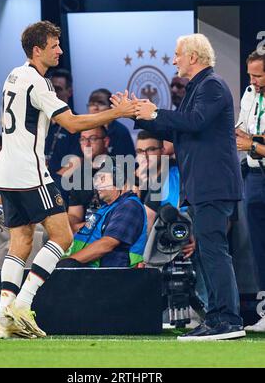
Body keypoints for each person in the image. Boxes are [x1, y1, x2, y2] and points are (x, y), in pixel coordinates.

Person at [0, 20, 136, 339]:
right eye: (54, 45)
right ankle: (22, 305)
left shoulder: (13, 75)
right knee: (62, 237)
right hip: (30, 170)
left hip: (6, 171)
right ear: (37, 49)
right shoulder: (39, 83)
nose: (60, 50)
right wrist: (117, 113)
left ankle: (3, 319)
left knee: (21, 242)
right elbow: (71, 124)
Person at [112, 33, 245, 341]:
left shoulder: (211, 86)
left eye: (177, 55)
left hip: (213, 185)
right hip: (203, 185)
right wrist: (138, 113)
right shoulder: (197, 88)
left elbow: (194, 121)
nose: (173, 60)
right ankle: (217, 318)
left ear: (193, 57)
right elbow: (177, 126)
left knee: (214, 252)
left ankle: (227, 319)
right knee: (209, 253)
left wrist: (155, 113)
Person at [59, 157, 147, 268]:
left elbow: (107, 244)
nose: (96, 184)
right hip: (85, 273)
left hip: (109, 278)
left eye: (103, 178)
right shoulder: (106, 208)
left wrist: (68, 262)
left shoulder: (129, 206)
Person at [235, 50, 265, 332]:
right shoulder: (248, 95)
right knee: (259, 246)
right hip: (255, 176)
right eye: (251, 75)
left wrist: (253, 145)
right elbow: (243, 131)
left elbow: (251, 141)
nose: (254, 80)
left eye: (259, 75)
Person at [45, 68, 81, 203]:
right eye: (51, 89)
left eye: (58, 89)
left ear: (69, 92)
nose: (54, 93)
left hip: (62, 189)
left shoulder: (78, 123)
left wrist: (52, 183)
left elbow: (76, 162)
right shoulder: (39, 122)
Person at [67, 126, 110, 232]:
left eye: (93, 138)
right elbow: (74, 215)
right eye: (83, 139)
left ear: (106, 141)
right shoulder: (78, 175)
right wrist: (66, 223)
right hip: (84, 233)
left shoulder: (119, 169)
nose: (87, 145)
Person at [80, 88, 136, 157]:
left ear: (111, 107)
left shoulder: (121, 132)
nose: (95, 108)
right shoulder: (83, 130)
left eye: (100, 103)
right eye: (91, 104)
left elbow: (128, 163)